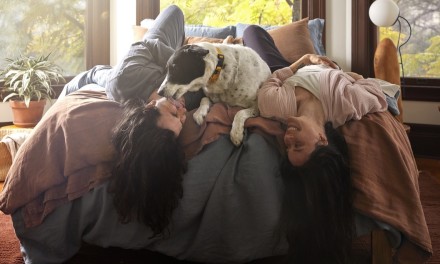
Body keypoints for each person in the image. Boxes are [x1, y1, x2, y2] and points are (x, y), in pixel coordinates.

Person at [242, 25, 392, 263]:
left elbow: (274, 79)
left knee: (252, 32)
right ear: (322, 140)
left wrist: (300, 62)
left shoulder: (275, 105)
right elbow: (377, 93)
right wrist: (345, 75)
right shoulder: (346, 103)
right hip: (326, 68)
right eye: (298, 146)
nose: (288, 140)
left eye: (288, 147)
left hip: (284, 70)